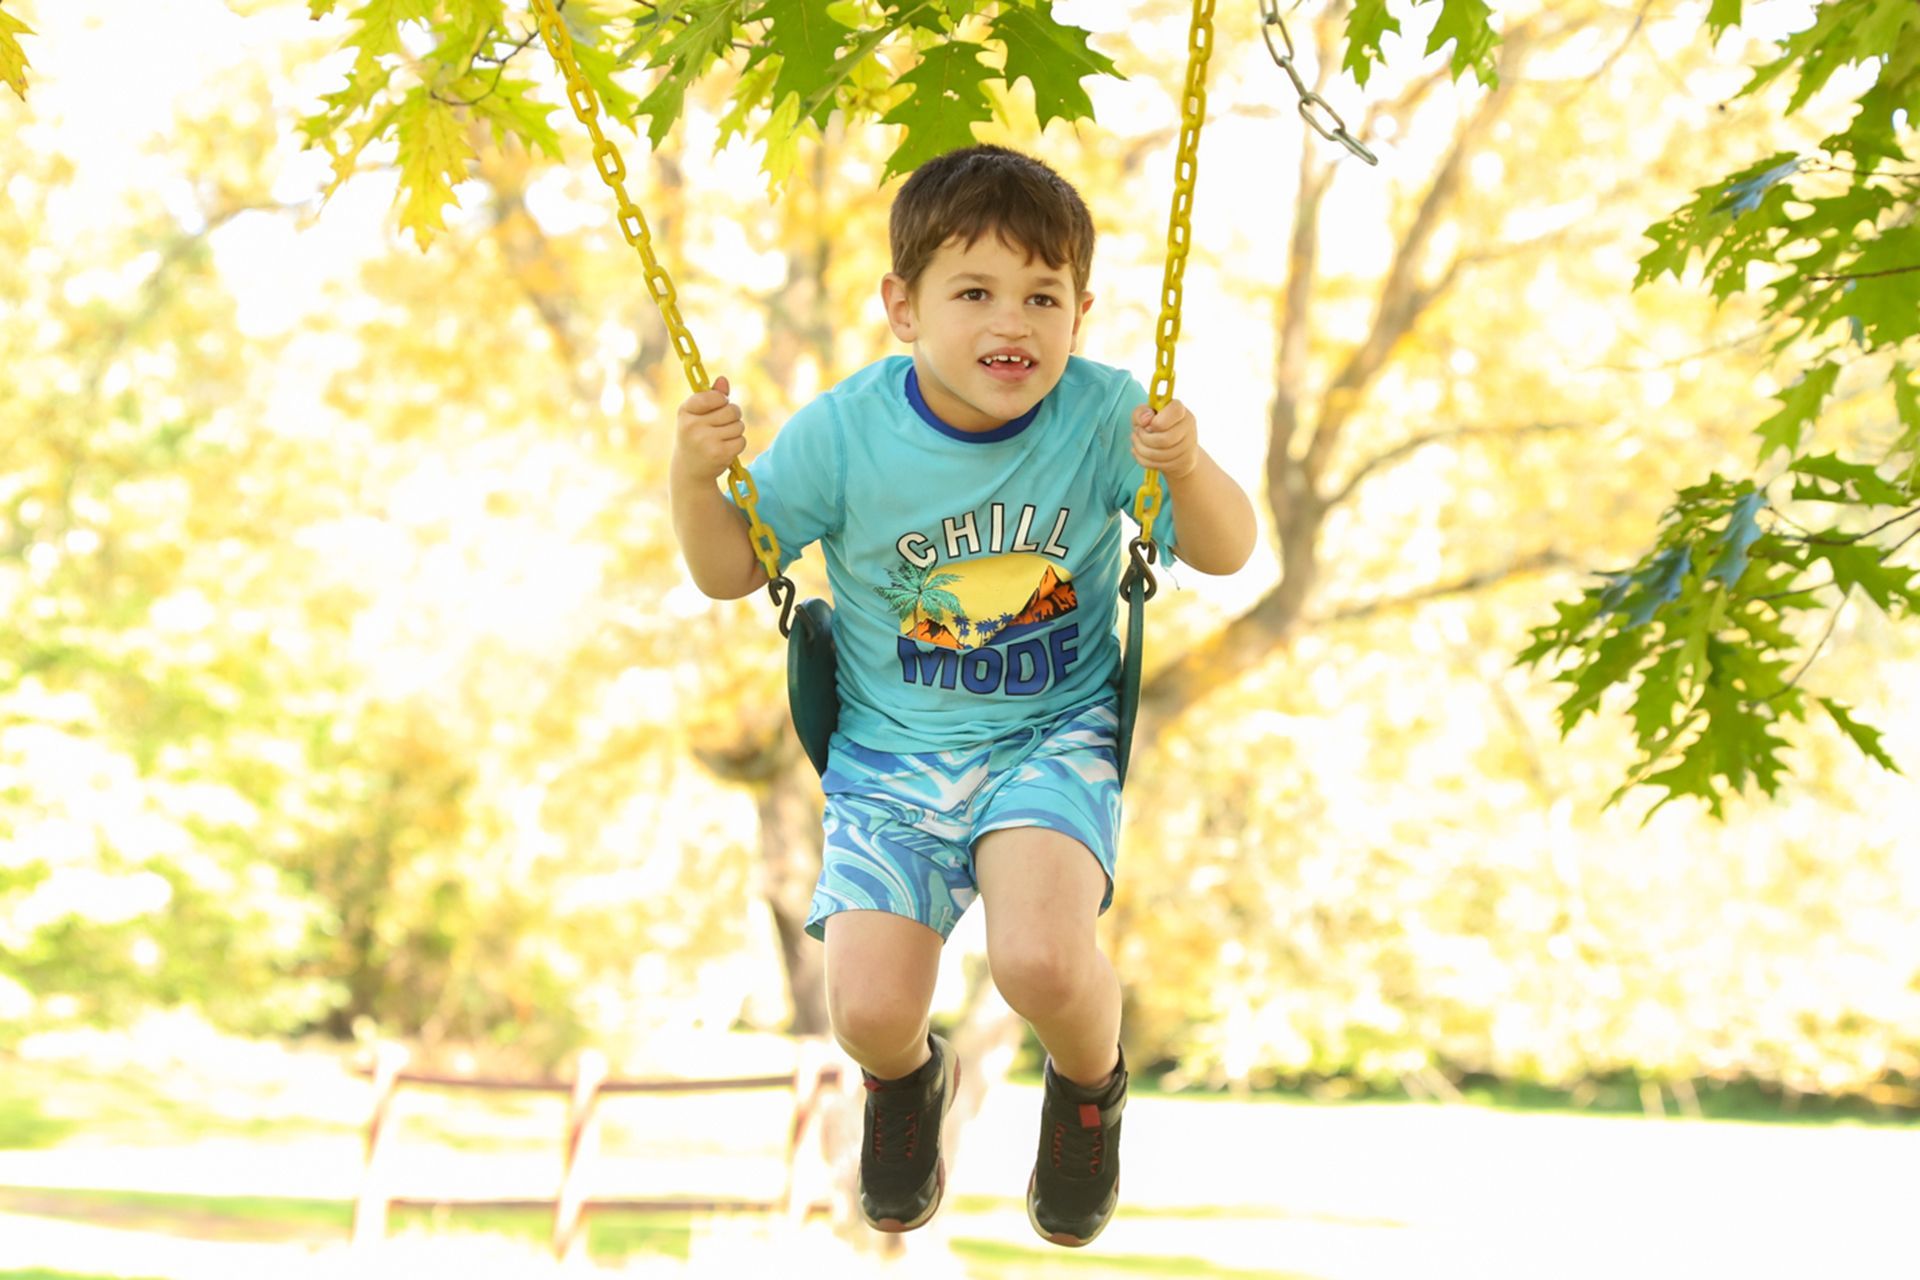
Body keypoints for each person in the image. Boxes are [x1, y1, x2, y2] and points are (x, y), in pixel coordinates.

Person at [669, 144, 1255, 1247]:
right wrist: (692, 477)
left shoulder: (1102, 415)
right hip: (891, 757)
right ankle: (905, 1084)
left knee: (1040, 957)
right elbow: (728, 569)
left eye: (1044, 296)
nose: (1014, 322)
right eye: (976, 291)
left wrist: (1188, 466)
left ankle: (1089, 1085)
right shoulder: (848, 435)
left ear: (1082, 309)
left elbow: (1226, 549)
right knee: (872, 1012)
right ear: (903, 306)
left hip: (1051, 734)